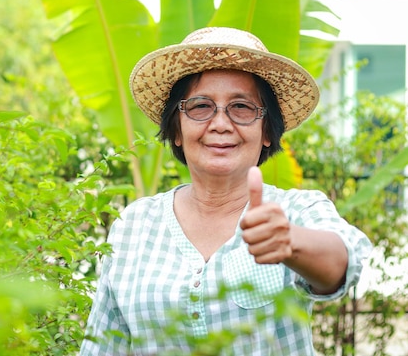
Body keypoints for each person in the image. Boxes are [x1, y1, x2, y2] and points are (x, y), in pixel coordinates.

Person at [79, 27, 372, 355]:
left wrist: (290, 241)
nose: (220, 123)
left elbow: (344, 264)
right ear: (176, 129)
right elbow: (103, 345)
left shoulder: (296, 210)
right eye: (201, 107)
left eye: (242, 108)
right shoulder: (134, 225)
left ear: (266, 132)